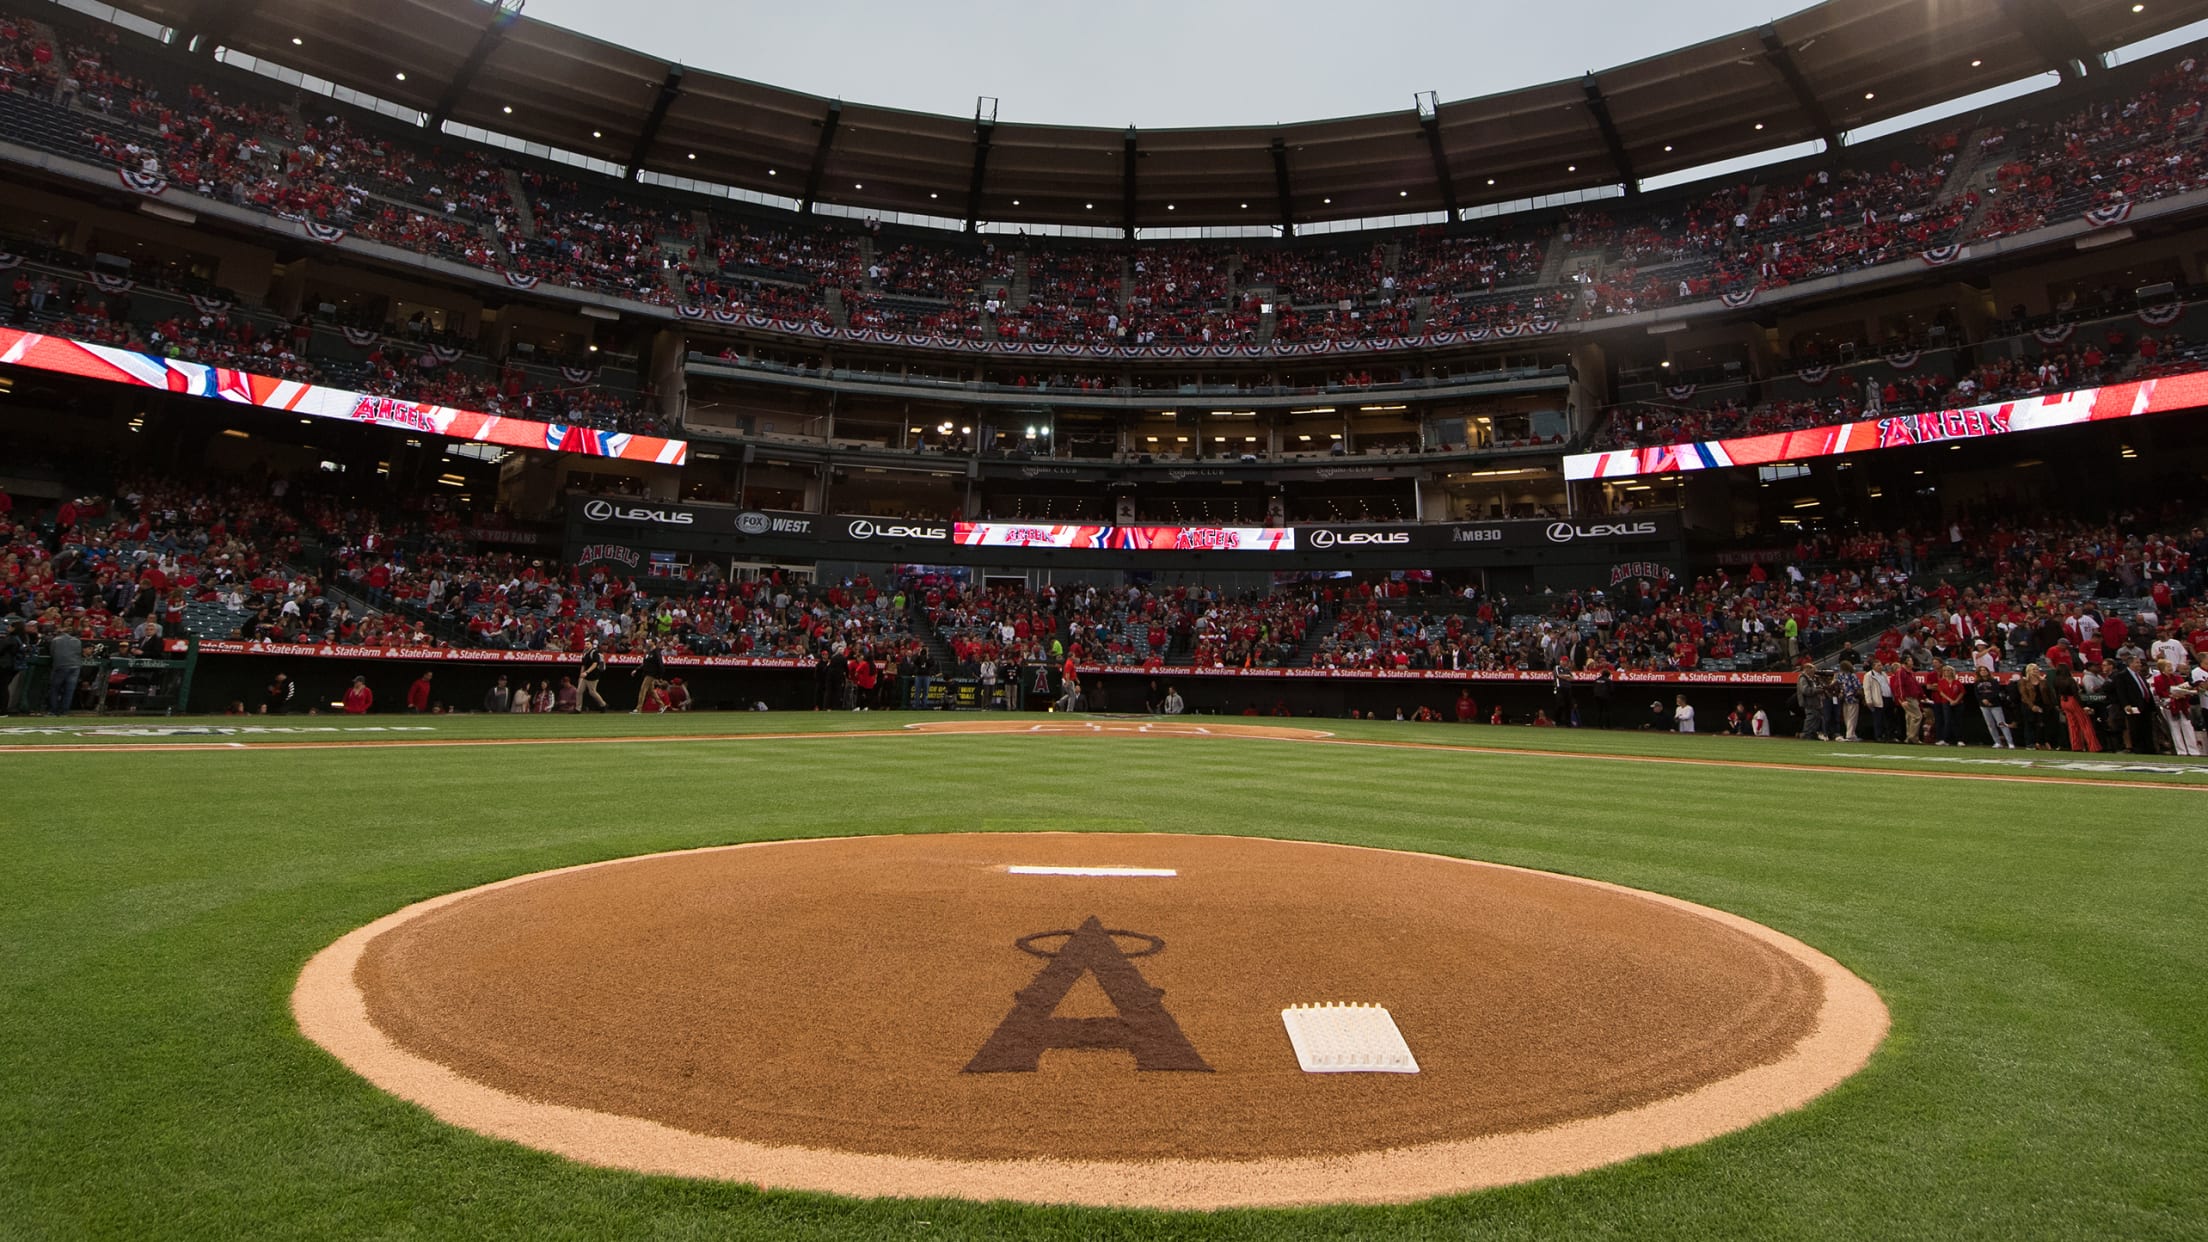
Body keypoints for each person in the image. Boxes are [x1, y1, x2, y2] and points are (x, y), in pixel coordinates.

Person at [46, 625, 84, 716]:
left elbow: (52, 653)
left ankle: (53, 711)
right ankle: (64, 711)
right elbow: (79, 653)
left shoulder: (55, 640)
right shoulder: (77, 641)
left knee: (55, 689)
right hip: (75, 667)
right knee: (69, 690)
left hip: (61, 666)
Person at [1972, 670, 2016, 749]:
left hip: (1995, 705)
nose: (1983, 672)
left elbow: (1996, 692)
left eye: (1984, 670)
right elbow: (1977, 694)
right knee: (1990, 725)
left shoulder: (1993, 681)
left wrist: (1989, 700)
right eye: (1981, 670)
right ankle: (1997, 742)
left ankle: (2010, 743)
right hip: (1983, 706)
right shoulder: (1977, 682)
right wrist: (1983, 700)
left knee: (2001, 723)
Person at [633, 642, 668, 713]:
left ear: (653, 642)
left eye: (650, 641)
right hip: (647, 673)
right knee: (651, 691)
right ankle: (662, 705)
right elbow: (644, 664)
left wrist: (660, 676)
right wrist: (636, 669)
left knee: (643, 690)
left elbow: (660, 664)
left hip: (651, 674)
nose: (648, 642)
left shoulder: (656, 652)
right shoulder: (648, 652)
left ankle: (638, 708)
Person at [0, 619, 26, 715]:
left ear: (14, 628)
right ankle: (3, 710)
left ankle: (2, 710)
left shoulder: (10, 639)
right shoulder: (21, 638)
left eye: (10, 626)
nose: (8, 628)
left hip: (4, 665)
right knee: (4, 687)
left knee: (2, 688)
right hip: (12, 666)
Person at [578, 643, 608, 712]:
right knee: (579, 691)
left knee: (592, 692)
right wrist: (581, 674)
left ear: (591, 645)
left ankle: (603, 705)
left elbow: (595, 664)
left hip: (593, 675)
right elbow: (583, 665)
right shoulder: (585, 652)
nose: (586, 645)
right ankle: (578, 708)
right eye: (585, 644)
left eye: (588, 644)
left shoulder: (594, 652)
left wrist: (587, 672)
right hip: (585, 676)